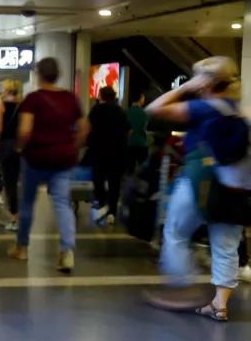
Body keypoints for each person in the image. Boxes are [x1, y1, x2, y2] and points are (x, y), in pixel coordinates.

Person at [144, 57, 249, 322]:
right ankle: (220, 305)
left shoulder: (203, 108)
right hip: (234, 184)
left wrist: (184, 88)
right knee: (226, 244)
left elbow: (154, 109)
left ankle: (184, 288)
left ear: (206, 82)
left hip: (200, 179)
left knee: (176, 232)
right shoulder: (237, 110)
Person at [9, 57, 87, 273]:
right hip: (63, 159)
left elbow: (25, 130)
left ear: (39, 75)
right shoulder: (71, 98)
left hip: (35, 159)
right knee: (62, 204)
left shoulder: (33, 99)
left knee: (27, 203)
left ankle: (22, 247)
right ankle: (67, 252)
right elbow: (84, 128)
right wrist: (72, 146)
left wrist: (19, 148)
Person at [87, 85, 131, 226]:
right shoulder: (120, 111)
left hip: (99, 152)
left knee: (98, 180)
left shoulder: (96, 110)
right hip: (117, 153)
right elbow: (128, 130)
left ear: (100, 96)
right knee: (115, 183)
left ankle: (102, 203)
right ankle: (112, 212)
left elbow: (88, 128)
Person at [0, 79, 23, 231]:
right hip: (20, 146)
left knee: (9, 183)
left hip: (5, 146)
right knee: (19, 182)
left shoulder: (1, 107)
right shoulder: (23, 105)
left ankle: (15, 217)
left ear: (6, 90)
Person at [127, 89, 150, 173]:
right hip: (141, 143)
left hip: (128, 144)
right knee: (143, 169)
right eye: (143, 98)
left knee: (129, 169)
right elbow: (145, 127)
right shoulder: (144, 113)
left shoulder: (126, 112)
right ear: (140, 99)